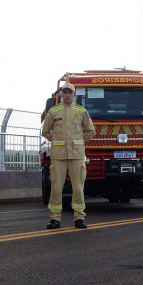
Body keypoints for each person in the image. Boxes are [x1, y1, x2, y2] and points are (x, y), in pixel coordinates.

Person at [41, 83, 96, 229]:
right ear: (61, 95)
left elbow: (91, 131)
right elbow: (45, 131)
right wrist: (58, 142)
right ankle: (55, 219)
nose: (67, 95)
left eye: (69, 92)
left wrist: (78, 143)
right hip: (58, 155)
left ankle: (79, 218)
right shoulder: (53, 111)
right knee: (56, 187)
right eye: (64, 92)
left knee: (78, 187)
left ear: (74, 95)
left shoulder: (81, 111)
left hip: (77, 155)